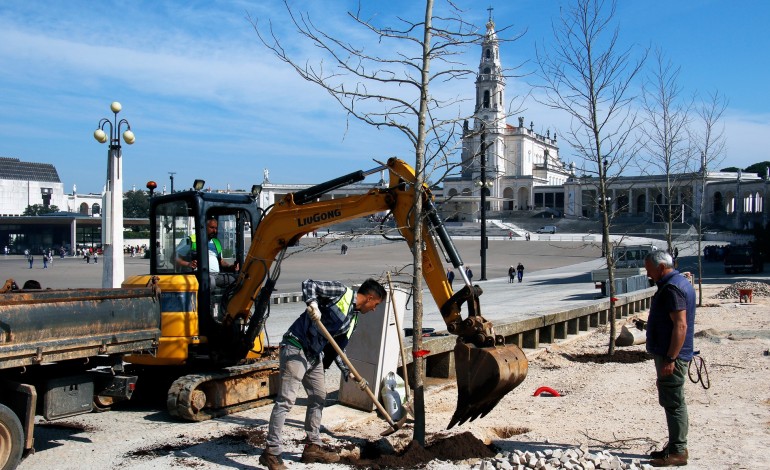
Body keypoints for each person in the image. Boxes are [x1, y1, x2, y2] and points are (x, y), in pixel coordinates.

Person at [260, 278, 387, 470]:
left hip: (314, 355)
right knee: (286, 400)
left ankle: (313, 446)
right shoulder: (341, 293)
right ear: (369, 298)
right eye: (376, 304)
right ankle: (271, 451)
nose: (375, 309)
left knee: (319, 397)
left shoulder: (354, 319)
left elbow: (337, 350)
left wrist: (351, 374)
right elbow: (308, 284)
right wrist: (312, 303)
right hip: (296, 346)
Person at [643, 250, 696, 467]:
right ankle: (675, 445)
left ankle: (678, 451)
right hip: (671, 352)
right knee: (671, 399)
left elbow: (680, 325)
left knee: (673, 402)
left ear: (661, 267)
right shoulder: (679, 282)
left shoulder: (672, 288)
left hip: (672, 354)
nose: (648, 274)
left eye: (650, 270)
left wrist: (671, 358)